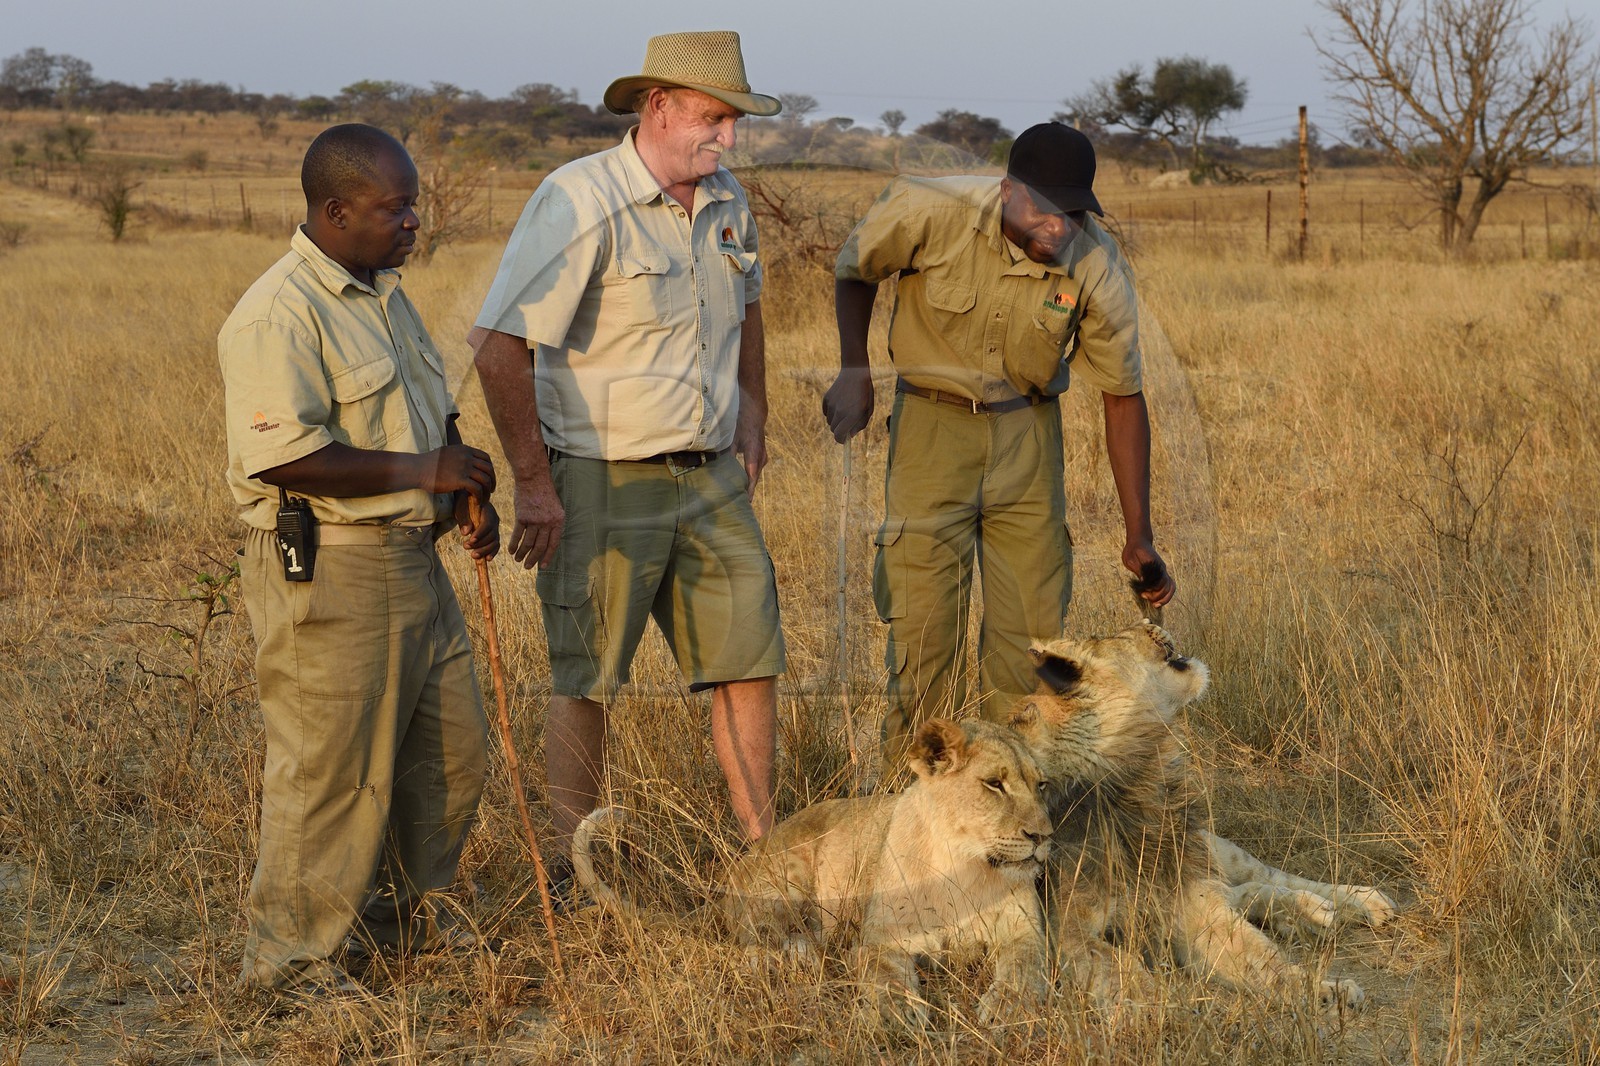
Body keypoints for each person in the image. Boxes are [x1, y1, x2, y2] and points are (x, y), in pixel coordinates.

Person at [470, 31, 786, 896]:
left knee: (749, 660)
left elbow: (748, 306)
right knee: (588, 676)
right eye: (713, 118)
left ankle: (767, 863)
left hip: (712, 475)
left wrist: (752, 411)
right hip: (601, 475)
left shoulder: (727, 200)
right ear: (658, 108)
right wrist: (535, 483)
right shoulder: (577, 199)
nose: (727, 138)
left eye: (734, 120)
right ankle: (577, 874)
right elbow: (498, 344)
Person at [218, 123, 500, 992]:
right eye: (396, 206)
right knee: (331, 772)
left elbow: (425, 409)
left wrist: (461, 490)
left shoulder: (383, 293)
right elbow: (284, 456)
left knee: (449, 751)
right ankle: (291, 965)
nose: (413, 220)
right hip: (332, 567)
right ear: (336, 210)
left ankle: (390, 926)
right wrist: (426, 470)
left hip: (413, 560)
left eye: (412, 203)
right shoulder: (278, 312)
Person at [823, 122, 1178, 777]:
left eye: (1073, 213)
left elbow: (1123, 397)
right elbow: (855, 268)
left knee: (1030, 650)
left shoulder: (1097, 265)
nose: (1059, 228)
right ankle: (906, 819)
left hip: (1028, 444)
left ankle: (1014, 830)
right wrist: (854, 368)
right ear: (1007, 190)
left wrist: (1140, 535)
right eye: (1044, 208)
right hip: (931, 430)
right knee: (923, 638)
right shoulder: (930, 210)